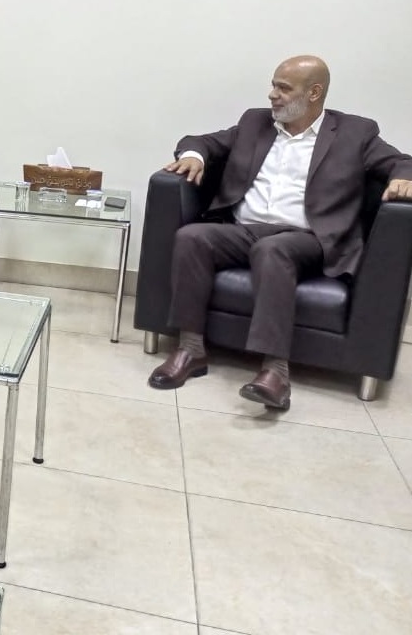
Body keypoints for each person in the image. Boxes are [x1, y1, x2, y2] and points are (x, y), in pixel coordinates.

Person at [148, 55, 412, 409]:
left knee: (272, 250)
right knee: (192, 237)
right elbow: (202, 140)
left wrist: (403, 177)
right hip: (244, 229)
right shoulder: (255, 122)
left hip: (307, 237)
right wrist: (194, 155)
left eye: (283, 88)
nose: (272, 94)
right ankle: (191, 349)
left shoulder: (355, 133)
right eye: (273, 85)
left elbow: (402, 161)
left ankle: (275, 372)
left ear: (314, 93)